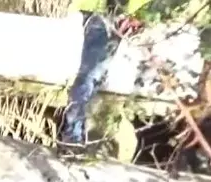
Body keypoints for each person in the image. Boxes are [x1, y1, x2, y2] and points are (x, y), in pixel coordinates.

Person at [58, 0, 147, 157]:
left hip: (115, 17)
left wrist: (138, 15)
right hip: (102, 15)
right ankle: (71, 138)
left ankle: (73, 137)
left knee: (95, 78)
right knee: (89, 77)